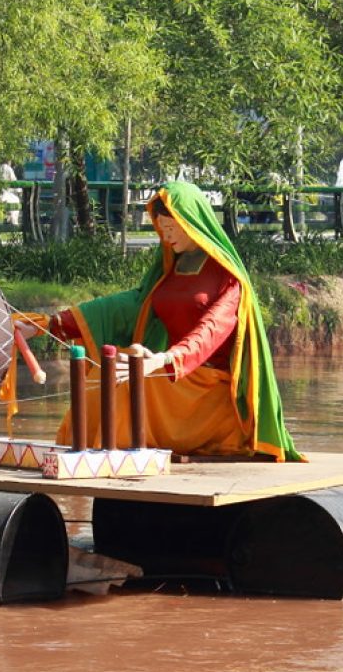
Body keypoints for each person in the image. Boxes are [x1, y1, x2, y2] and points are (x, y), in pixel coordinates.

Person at [21, 179, 303, 461]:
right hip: (174, 377)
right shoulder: (170, 268)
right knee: (113, 368)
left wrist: (163, 360)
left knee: (132, 380)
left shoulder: (229, 280)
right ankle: (86, 451)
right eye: (162, 229)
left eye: (172, 228)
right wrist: (47, 324)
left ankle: (108, 455)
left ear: (192, 222)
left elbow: (208, 333)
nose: (166, 237)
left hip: (207, 389)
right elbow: (124, 306)